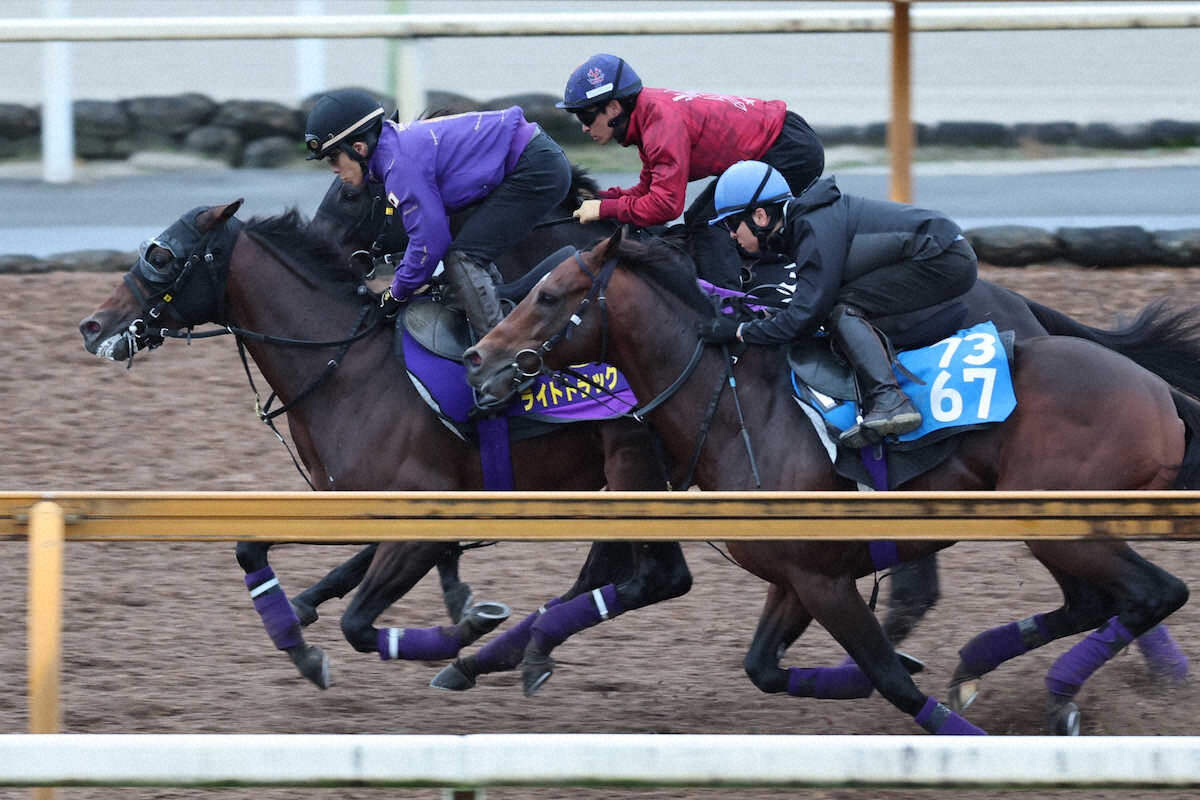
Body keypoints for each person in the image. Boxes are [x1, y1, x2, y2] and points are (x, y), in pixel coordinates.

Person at [700, 160, 979, 448]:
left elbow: (805, 317)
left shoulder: (812, 227)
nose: (731, 235)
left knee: (842, 309)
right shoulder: (802, 226)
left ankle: (890, 400)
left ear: (760, 216)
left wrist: (740, 332)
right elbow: (806, 304)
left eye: (731, 224)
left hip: (944, 258)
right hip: (938, 251)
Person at [304, 89, 572, 334]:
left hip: (535, 168)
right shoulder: (395, 150)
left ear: (358, 148)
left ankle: (502, 353)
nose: (333, 169)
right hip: (534, 159)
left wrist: (396, 293)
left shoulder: (399, 166)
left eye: (333, 157)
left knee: (463, 259)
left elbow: (429, 243)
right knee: (463, 264)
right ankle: (502, 318)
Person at [557, 54, 824, 290]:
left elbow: (665, 207)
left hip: (790, 150)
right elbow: (648, 190)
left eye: (586, 117)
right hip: (780, 138)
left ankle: (730, 310)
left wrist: (604, 209)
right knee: (698, 217)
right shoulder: (646, 114)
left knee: (711, 224)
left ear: (614, 108)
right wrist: (599, 198)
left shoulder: (660, 125)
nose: (584, 127)